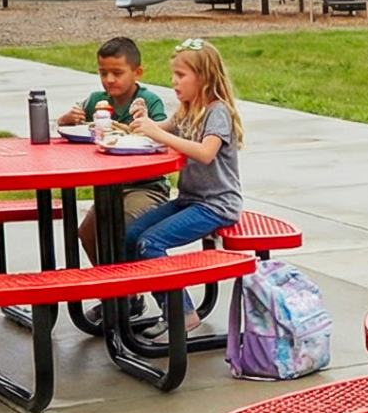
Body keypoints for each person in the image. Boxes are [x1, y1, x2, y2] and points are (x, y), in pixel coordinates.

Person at [123, 38, 245, 332]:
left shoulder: (217, 112)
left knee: (150, 243)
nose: (174, 82)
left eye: (181, 75)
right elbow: (161, 131)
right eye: (173, 75)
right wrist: (144, 120)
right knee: (131, 235)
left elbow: (205, 153)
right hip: (191, 199)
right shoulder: (188, 109)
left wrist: (157, 132)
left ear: (203, 77)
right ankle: (167, 306)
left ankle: (182, 314)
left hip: (217, 205)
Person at [58, 36, 171, 269]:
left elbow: (163, 139)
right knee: (87, 233)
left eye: (117, 73)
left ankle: (126, 293)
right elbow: (74, 130)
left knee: (122, 230)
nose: (109, 80)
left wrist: (143, 126)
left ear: (137, 72)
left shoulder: (149, 102)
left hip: (146, 186)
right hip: (109, 187)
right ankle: (116, 295)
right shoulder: (97, 101)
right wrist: (67, 120)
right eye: (103, 73)